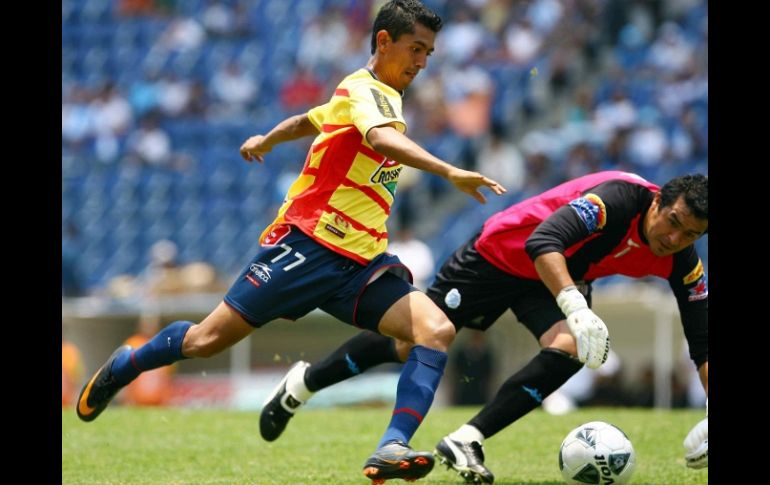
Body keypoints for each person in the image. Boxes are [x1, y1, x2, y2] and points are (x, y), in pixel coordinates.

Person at [75, 2, 506, 483]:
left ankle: (391, 445)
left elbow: (310, 119)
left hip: (361, 262)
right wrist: (448, 170)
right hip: (309, 245)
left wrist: (266, 139)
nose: (423, 62)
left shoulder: (374, 96)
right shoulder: (364, 90)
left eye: (428, 52)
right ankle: (126, 363)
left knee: (434, 330)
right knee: (205, 341)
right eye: (416, 49)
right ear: (383, 41)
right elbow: (381, 141)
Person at [260, 171, 709, 483]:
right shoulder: (617, 199)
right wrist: (575, 303)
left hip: (555, 277)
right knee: (408, 343)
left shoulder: (681, 259)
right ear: (657, 202)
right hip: (501, 255)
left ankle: (466, 439)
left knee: (571, 347)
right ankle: (305, 381)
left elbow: (702, 337)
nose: (674, 239)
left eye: (688, 235)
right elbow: (544, 240)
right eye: (672, 223)